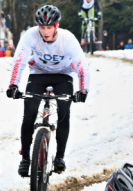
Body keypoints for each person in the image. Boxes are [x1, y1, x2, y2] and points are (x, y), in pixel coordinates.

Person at [7, 5, 90, 178]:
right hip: (38, 72)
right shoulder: (30, 35)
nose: (45, 31)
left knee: (64, 112)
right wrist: (13, 85)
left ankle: (59, 157)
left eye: (49, 27)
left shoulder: (68, 39)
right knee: (29, 112)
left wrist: (83, 89)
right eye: (42, 27)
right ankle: (26, 159)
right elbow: (19, 61)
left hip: (63, 74)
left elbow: (82, 66)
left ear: (56, 26)